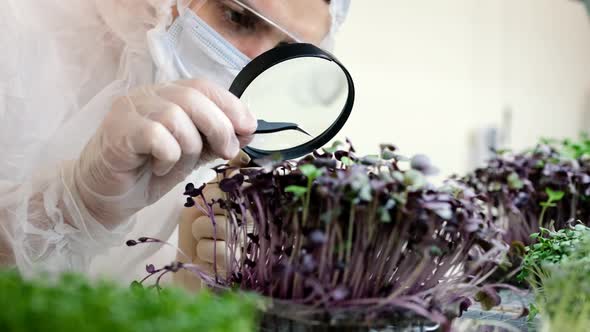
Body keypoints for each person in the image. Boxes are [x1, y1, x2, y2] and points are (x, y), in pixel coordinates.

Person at [0, 0, 350, 285]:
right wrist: (74, 201)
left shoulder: (237, 164)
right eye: (237, 16)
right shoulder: (16, 35)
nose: (254, 60)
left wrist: (187, 284)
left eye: (288, 49)